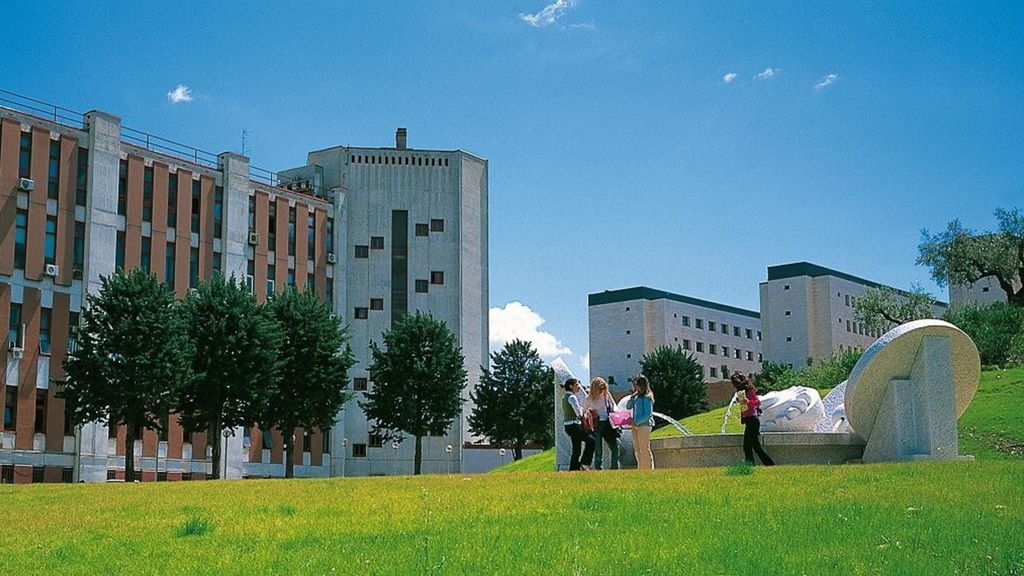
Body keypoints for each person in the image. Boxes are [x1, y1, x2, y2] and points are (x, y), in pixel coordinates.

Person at [731, 372, 775, 466]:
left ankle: (767, 464)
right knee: (751, 446)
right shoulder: (741, 392)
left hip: (753, 420)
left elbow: (757, 402)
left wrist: (748, 401)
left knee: (752, 446)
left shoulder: (749, 390)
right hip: (749, 420)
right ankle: (756, 464)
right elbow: (744, 408)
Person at [584, 377, 620, 470]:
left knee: (614, 446)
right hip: (597, 424)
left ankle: (614, 467)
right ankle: (598, 467)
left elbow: (614, 407)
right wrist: (590, 412)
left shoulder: (606, 395)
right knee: (598, 449)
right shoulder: (588, 399)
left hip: (608, 423)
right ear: (595, 388)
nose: (602, 390)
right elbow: (583, 411)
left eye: (604, 388)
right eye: (600, 388)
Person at [562, 378, 595, 471]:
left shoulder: (565, 397)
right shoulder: (572, 397)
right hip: (574, 425)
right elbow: (579, 413)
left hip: (568, 426)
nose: (578, 387)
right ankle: (585, 463)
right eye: (576, 385)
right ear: (571, 386)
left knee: (576, 448)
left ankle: (574, 468)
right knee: (591, 441)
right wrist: (584, 408)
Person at [626, 375, 655, 470]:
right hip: (635, 426)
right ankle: (641, 468)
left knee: (644, 448)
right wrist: (632, 397)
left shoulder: (647, 397)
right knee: (637, 449)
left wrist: (637, 421)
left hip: (644, 425)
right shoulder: (636, 397)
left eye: (636, 386)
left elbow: (648, 414)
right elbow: (628, 407)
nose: (635, 388)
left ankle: (648, 469)